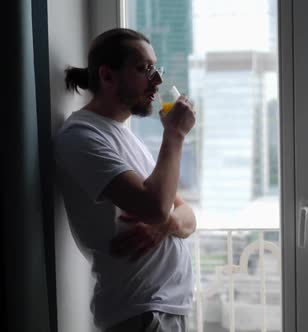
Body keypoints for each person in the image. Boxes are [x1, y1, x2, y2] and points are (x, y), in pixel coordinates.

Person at [53, 28, 197, 331]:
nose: (157, 80)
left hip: (162, 307)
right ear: (107, 76)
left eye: (156, 68)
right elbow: (156, 207)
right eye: (145, 69)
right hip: (141, 311)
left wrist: (167, 225)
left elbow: (186, 215)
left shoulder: (123, 135)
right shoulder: (82, 136)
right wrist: (175, 134)